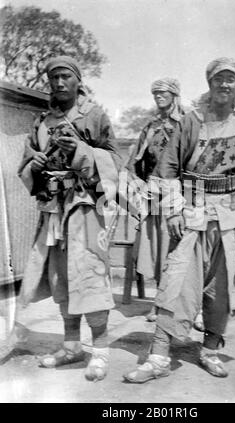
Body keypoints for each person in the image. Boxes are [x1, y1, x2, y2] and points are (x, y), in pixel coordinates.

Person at [124, 57, 235, 382]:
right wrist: (175, 209)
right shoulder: (189, 122)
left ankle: (210, 351)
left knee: (221, 291)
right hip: (192, 214)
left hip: (230, 218)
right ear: (209, 83)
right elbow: (167, 169)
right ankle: (159, 358)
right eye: (218, 78)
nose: (224, 84)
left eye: (230, 79)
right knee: (175, 284)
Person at [17, 56, 121, 381]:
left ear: (78, 81)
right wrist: (33, 164)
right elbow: (27, 165)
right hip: (53, 211)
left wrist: (82, 151)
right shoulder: (41, 122)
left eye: (65, 77)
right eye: (54, 78)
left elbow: (116, 162)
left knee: (89, 278)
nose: (59, 83)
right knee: (62, 280)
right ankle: (72, 346)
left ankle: (101, 352)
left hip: (86, 208)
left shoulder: (95, 115)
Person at [126, 78, 184, 321]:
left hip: (180, 195)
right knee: (157, 250)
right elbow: (136, 162)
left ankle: (190, 307)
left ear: (174, 95)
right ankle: (159, 303)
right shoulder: (151, 126)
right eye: (155, 93)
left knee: (179, 250)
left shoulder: (186, 124)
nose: (159, 97)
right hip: (153, 195)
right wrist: (137, 187)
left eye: (163, 93)